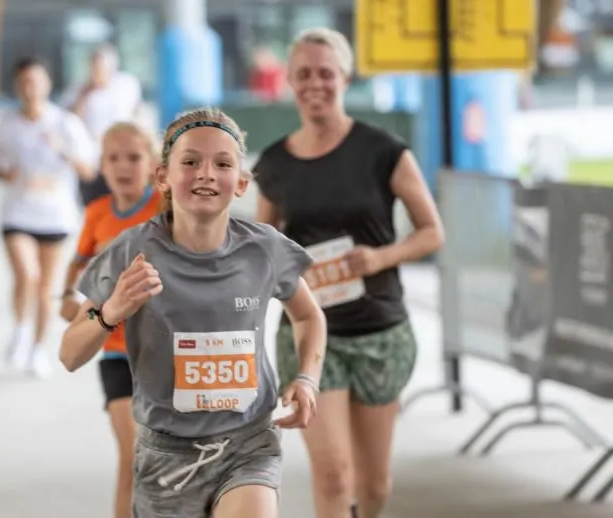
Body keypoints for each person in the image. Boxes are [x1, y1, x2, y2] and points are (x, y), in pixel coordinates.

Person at [60, 107, 327, 518]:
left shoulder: (266, 249)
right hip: (165, 455)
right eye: (190, 162)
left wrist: (307, 378)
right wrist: (112, 310)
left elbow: (309, 316)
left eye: (222, 164)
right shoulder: (129, 251)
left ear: (240, 183)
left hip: (248, 443)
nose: (206, 173)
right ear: (163, 177)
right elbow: (70, 354)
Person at [253, 28, 445, 518]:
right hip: (312, 338)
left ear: (345, 77)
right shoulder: (274, 164)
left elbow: (431, 232)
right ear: (290, 82)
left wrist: (378, 258)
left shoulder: (384, 151)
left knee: (374, 484)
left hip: (381, 330)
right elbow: (262, 249)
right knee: (334, 473)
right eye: (304, 75)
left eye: (325, 73)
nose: (314, 84)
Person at [58, 121, 162, 518]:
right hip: (116, 350)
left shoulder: (165, 208)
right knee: (133, 452)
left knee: (166, 458)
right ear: (100, 166)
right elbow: (80, 259)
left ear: (154, 164)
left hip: (167, 352)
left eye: (134, 157)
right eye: (113, 158)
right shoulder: (97, 212)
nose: (123, 167)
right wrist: (67, 296)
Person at [0, 57, 98, 379]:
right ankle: (21, 329)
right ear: (17, 86)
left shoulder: (65, 123)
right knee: (26, 274)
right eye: (24, 82)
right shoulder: (7, 123)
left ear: (47, 84)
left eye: (36, 81)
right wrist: (6, 174)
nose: (30, 87)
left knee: (46, 286)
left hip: (55, 215)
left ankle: (37, 348)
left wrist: (62, 150)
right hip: (18, 211)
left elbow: (88, 170)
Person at [60, 44, 142, 206]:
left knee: (123, 203)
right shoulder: (78, 89)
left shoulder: (127, 84)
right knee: (94, 205)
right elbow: (69, 121)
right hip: (91, 160)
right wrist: (85, 94)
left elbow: (137, 111)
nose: (98, 72)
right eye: (94, 67)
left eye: (102, 67)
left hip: (120, 155)